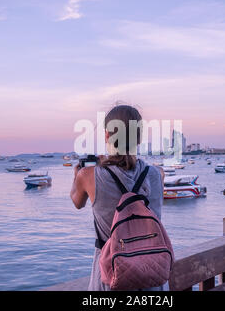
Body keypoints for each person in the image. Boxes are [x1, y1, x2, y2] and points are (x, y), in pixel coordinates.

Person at [70, 104, 165, 291]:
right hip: (152, 273)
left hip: (110, 276)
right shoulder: (157, 174)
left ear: (107, 135)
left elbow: (77, 202)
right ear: (139, 137)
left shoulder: (89, 175)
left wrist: (78, 175)